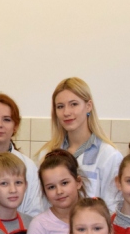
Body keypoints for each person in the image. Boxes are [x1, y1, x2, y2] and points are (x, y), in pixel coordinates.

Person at [37, 77, 122, 212]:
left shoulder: (109, 156)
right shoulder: (46, 154)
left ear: (88, 106)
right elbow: (41, 206)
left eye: (74, 104)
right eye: (60, 106)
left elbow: (112, 211)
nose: (66, 112)